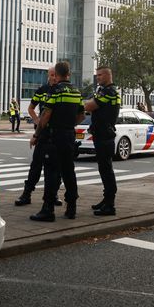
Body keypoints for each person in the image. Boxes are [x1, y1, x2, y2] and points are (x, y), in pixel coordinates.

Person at [29, 61, 84, 222]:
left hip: (54, 138)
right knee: (68, 172)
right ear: (69, 74)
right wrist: (69, 125)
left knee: (51, 173)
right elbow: (81, 116)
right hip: (69, 136)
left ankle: (48, 209)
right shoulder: (76, 92)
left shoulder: (55, 91)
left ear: (57, 75)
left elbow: (45, 116)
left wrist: (37, 134)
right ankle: (71, 208)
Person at [15, 67, 61, 207]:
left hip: (57, 134)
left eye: (55, 75)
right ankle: (26, 194)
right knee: (36, 166)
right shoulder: (42, 90)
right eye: (51, 75)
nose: (53, 77)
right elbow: (31, 108)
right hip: (42, 133)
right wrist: (36, 120)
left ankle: (54, 194)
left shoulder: (61, 91)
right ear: (48, 76)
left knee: (55, 169)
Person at [84, 66, 121, 216]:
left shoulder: (109, 92)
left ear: (107, 75)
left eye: (100, 75)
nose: (97, 77)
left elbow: (89, 106)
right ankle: (106, 200)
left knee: (106, 171)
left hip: (105, 136)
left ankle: (110, 205)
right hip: (102, 134)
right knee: (104, 169)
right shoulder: (105, 91)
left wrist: (89, 103)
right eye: (96, 75)